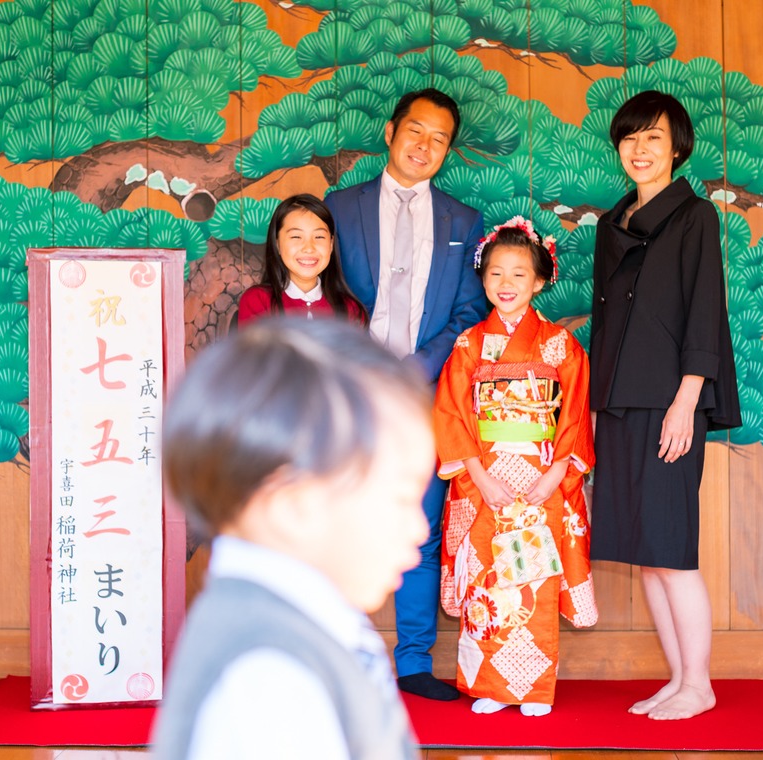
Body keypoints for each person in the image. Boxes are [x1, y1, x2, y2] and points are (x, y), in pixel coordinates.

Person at [153, 318, 433, 760]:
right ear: (292, 506)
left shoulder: (312, 614)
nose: (420, 528)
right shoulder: (268, 682)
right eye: (401, 497)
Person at [325, 87, 488, 701]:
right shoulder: (339, 208)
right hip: (347, 398)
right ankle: (336, 655)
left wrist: (421, 365)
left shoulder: (463, 220)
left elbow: (470, 310)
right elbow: (317, 286)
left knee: (418, 530)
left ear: (448, 150)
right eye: (415, 131)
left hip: (424, 398)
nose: (424, 145)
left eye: (439, 138)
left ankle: (414, 662)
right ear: (390, 132)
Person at [589, 90, 741, 721]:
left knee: (672, 551)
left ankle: (700, 684)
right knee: (647, 554)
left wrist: (687, 402)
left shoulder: (695, 216)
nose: (640, 150)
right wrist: (595, 408)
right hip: (619, 403)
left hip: (670, 400)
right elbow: (604, 325)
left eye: (653, 138)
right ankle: (679, 679)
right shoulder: (611, 223)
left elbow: (705, 310)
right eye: (629, 138)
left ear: (678, 148)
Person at [433, 217, 597, 716]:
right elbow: (451, 414)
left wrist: (553, 476)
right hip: (484, 479)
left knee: (533, 577)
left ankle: (530, 688)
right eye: (496, 274)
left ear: (540, 280)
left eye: (519, 275)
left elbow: (573, 413)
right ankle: (488, 687)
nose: (506, 285)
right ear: (483, 279)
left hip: (541, 474)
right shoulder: (466, 347)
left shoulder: (560, 346)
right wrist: (480, 476)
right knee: (486, 576)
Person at [237, 194, 366, 326]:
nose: (309, 248)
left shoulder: (351, 309)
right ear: (277, 244)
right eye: (296, 237)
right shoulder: (258, 300)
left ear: (331, 244)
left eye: (319, 237)